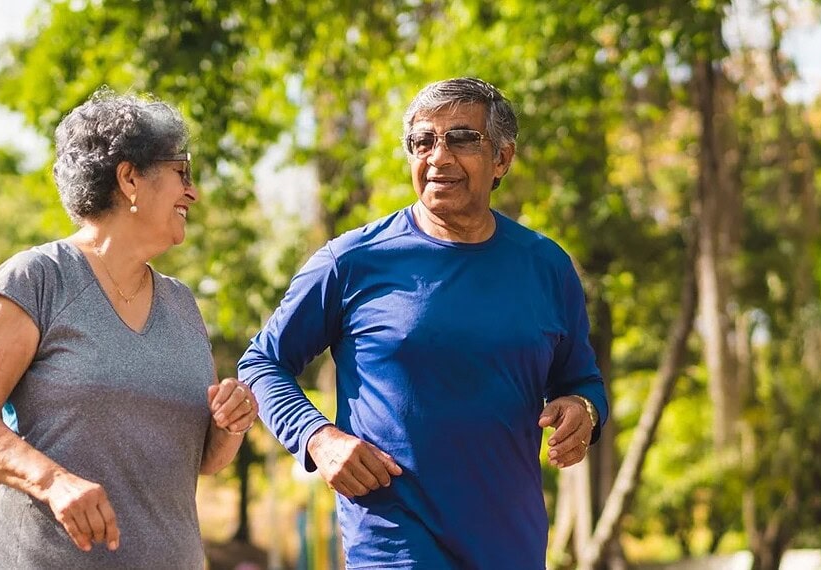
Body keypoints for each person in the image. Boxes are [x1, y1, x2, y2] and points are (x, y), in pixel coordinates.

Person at [237, 77, 608, 569]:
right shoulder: (351, 262)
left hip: (511, 547)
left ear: (502, 158)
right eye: (423, 142)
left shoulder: (547, 267)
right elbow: (261, 363)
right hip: (393, 547)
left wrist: (584, 409)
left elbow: (581, 379)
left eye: (461, 139)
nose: (439, 157)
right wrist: (317, 438)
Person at [0, 88, 259, 569]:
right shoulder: (36, 280)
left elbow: (205, 461)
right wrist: (53, 481)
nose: (193, 191)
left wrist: (231, 424)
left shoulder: (183, 304)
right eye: (181, 172)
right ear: (130, 178)